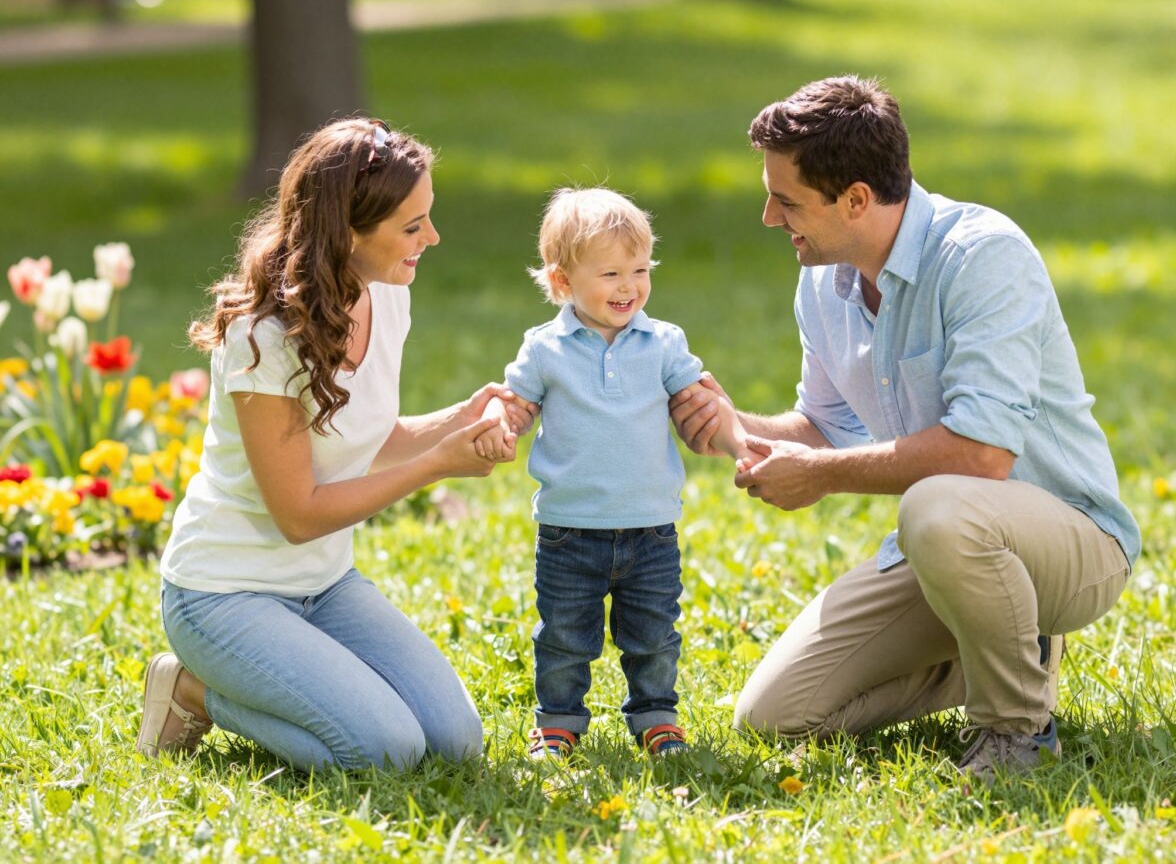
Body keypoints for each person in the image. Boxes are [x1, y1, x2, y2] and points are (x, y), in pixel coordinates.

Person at [670, 76, 1140, 784]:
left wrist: (820, 478)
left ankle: (1016, 731)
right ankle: (1006, 650)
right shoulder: (822, 281)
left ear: (856, 199)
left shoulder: (983, 257)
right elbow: (825, 428)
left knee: (937, 504)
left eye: (787, 200)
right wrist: (731, 424)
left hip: (1069, 541)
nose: (770, 216)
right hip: (949, 548)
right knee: (772, 716)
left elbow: (980, 457)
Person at [135, 117, 536, 771]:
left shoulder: (386, 294)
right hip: (225, 595)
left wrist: (457, 421)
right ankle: (195, 691)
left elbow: (365, 442)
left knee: (455, 743)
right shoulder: (264, 339)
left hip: (324, 585)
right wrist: (438, 465)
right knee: (384, 750)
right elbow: (299, 514)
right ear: (349, 231)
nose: (431, 239)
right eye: (412, 226)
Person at [477, 187, 751, 760]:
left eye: (640, 270)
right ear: (562, 282)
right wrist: (502, 425)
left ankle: (655, 715)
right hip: (569, 529)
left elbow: (700, 403)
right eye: (610, 274)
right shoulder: (544, 349)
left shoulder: (664, 342)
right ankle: (558, 721)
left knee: (653, 634)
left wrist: (740, 447)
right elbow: (518, 404)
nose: (629, 286)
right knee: (563, 635)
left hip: (651, 527)